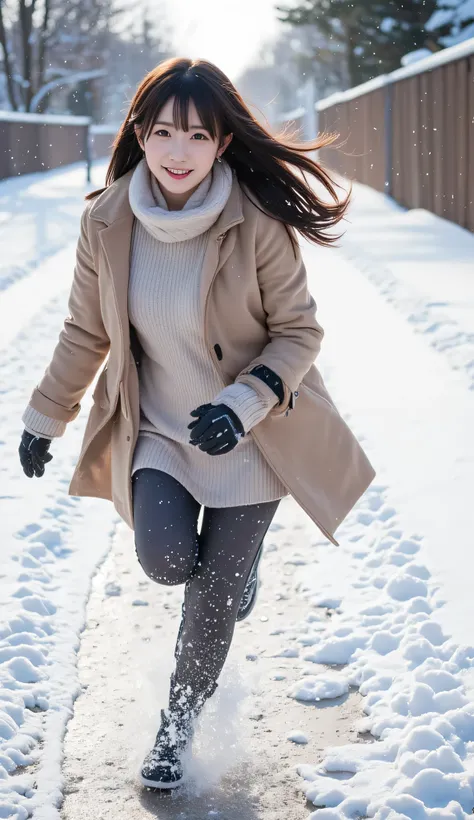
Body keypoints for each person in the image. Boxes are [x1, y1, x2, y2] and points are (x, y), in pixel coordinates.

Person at [18, 57, 376, 790]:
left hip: (255, 434)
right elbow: (87, 332)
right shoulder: (107, 220)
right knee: (167, 561)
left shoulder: (258, 221)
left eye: (197, 135)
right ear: (141, 136)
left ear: (221, 144)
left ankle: (176, 729)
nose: (178, 152)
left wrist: (243, 403)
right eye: (164, 133)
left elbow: (299, 334)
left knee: (211, 603)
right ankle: (229, 578)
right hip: (160, 432)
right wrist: (43, 419)